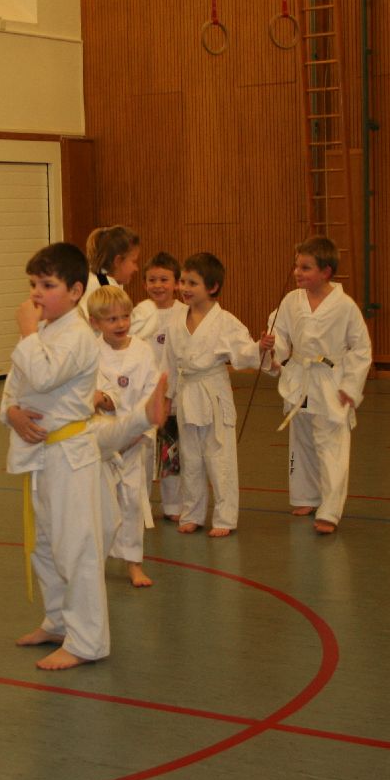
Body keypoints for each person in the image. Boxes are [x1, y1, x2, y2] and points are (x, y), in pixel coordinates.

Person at [1, 242, 110, 670]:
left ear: (76, 291)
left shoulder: (78, 336)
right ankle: (58, 621)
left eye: (47, 285)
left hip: (69, 454)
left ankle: (87, 641)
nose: (36, 293)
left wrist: (28, 332)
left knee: (75, 548)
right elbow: (15, 385)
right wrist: (11, 412)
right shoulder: (44, 333)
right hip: (39, 454)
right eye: (33, 284)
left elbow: (44, 375)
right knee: (44, 544)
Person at [259, 237, 372, 534]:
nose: (297, 272)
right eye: (297, 266)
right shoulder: (291, 301)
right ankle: (306, 497)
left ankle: (330, 510)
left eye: (306, 267)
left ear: (326, 271)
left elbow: (361, 349)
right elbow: (279, 333)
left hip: (331, 381)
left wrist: (351, 386)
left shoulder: (345, 306)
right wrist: (272, 349)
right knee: (303, 439)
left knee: (331, 446)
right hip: (300, 377)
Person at [165, 253, 261, 538]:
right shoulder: (176, 319)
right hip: (186, 392)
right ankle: (192, 514)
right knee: (190, 458)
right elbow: (169, 362)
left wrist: (261, 347)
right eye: (183, 281)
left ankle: (225, 517)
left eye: (192, 283)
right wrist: (167, 397)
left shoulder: (225, 321)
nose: (184, 288)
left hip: (213, 394)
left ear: (213, 287)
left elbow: (244, 353)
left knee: (220, 457)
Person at [87, 286, 159, 588]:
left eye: (125, 317)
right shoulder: (90, 353)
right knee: (100, 504)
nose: (120, 324)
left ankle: (134, 563)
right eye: (112, 319)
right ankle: (95, 562)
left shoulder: (143, 351)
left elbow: (151, 393)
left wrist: (140, 429)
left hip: (134, 439)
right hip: (102, 441)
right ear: (95, 323)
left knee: (131, 502)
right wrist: (102, 401)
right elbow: (89, 394)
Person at [128, 251, 186, 522]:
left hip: (172, 394)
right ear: (144, 283)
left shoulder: (184, 313)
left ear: (176, 283)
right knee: (142, 454)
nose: (158, 285)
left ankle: (174, 505)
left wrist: (169, 392)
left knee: (170, 452)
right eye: (152, 280)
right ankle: (139, 507)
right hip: (143, 396)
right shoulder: (137, 314)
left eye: (164, 279)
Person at [81, 225, 141, 320]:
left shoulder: (96, 279)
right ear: (118, 261)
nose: (136, 268)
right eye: (134, 261)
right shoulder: (104, 288)